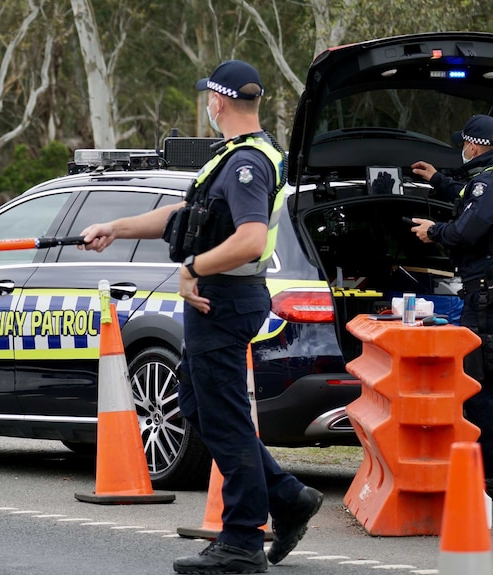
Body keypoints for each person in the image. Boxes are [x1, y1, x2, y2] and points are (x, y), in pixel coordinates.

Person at [80, 60, 323, 574]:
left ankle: (241, 542)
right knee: (199, 407)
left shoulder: (247, 165)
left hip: (223, 300)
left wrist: (193, 267)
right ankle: (288, 497)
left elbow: (251, 239)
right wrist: (116, 226)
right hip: (222, 299)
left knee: (225, 420)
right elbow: (181, 217)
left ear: (217, 102)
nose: (207, 107)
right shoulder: (237, 156)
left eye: (208, 100)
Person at [409, 114, 493, 500]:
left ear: (475, 144)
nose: (461, 151)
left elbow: (468, 228)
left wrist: (433, 232)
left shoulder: (490, 181)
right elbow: (473, 202)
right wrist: (438, 180)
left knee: (478, 387)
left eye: (463, 144)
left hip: (489, 296)